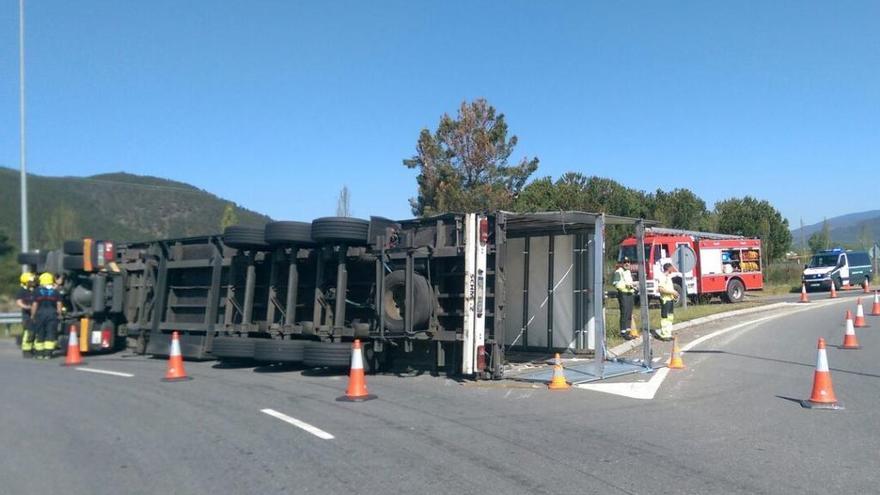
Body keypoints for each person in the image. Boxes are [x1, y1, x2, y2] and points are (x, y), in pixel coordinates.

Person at [31, 272, 63, 360]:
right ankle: (48, 354)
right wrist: (59, 314)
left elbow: (34, 305)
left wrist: (32, 315)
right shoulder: (56, 292)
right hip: (52, 315)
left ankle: (39, 354)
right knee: (50, 333)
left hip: (40, 315)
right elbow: (59, 305)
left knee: (40, 333)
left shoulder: (37, 291)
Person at [613, 257, 637, 340]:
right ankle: (623, 333)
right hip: (623, 294)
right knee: (624, 313)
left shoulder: (628, 272)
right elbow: (616, 284)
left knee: (629, 313)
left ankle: (628, 332)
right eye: (625, 262)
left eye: (628, 262)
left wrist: (633, 288)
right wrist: (625, 286)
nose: (627, 263)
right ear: (622, 263)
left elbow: (629, 283)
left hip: (630, 294)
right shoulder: (618, 272)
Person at [654, 263, 679, 341]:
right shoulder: (662, 277)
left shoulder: (668, 277)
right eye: (671, 268)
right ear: (668, 268)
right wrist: (672, 292)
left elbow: (668, 288)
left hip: (670, 299)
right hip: (665, 300)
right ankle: (664, 335)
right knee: (665, 318)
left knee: (670, 317)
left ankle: (668, 333)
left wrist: (674, 293)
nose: (672, 270)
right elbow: (660, 289)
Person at [16, 272, 36, 358]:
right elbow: (19, 302)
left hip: (35, 314)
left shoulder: (34, 290)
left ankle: (34, 349)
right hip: (27, 315)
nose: (32, 282)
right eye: (30, 281)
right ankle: (26, 350)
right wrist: (27, 307)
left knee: (35, 332)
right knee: (28, 332)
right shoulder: (22, 291)